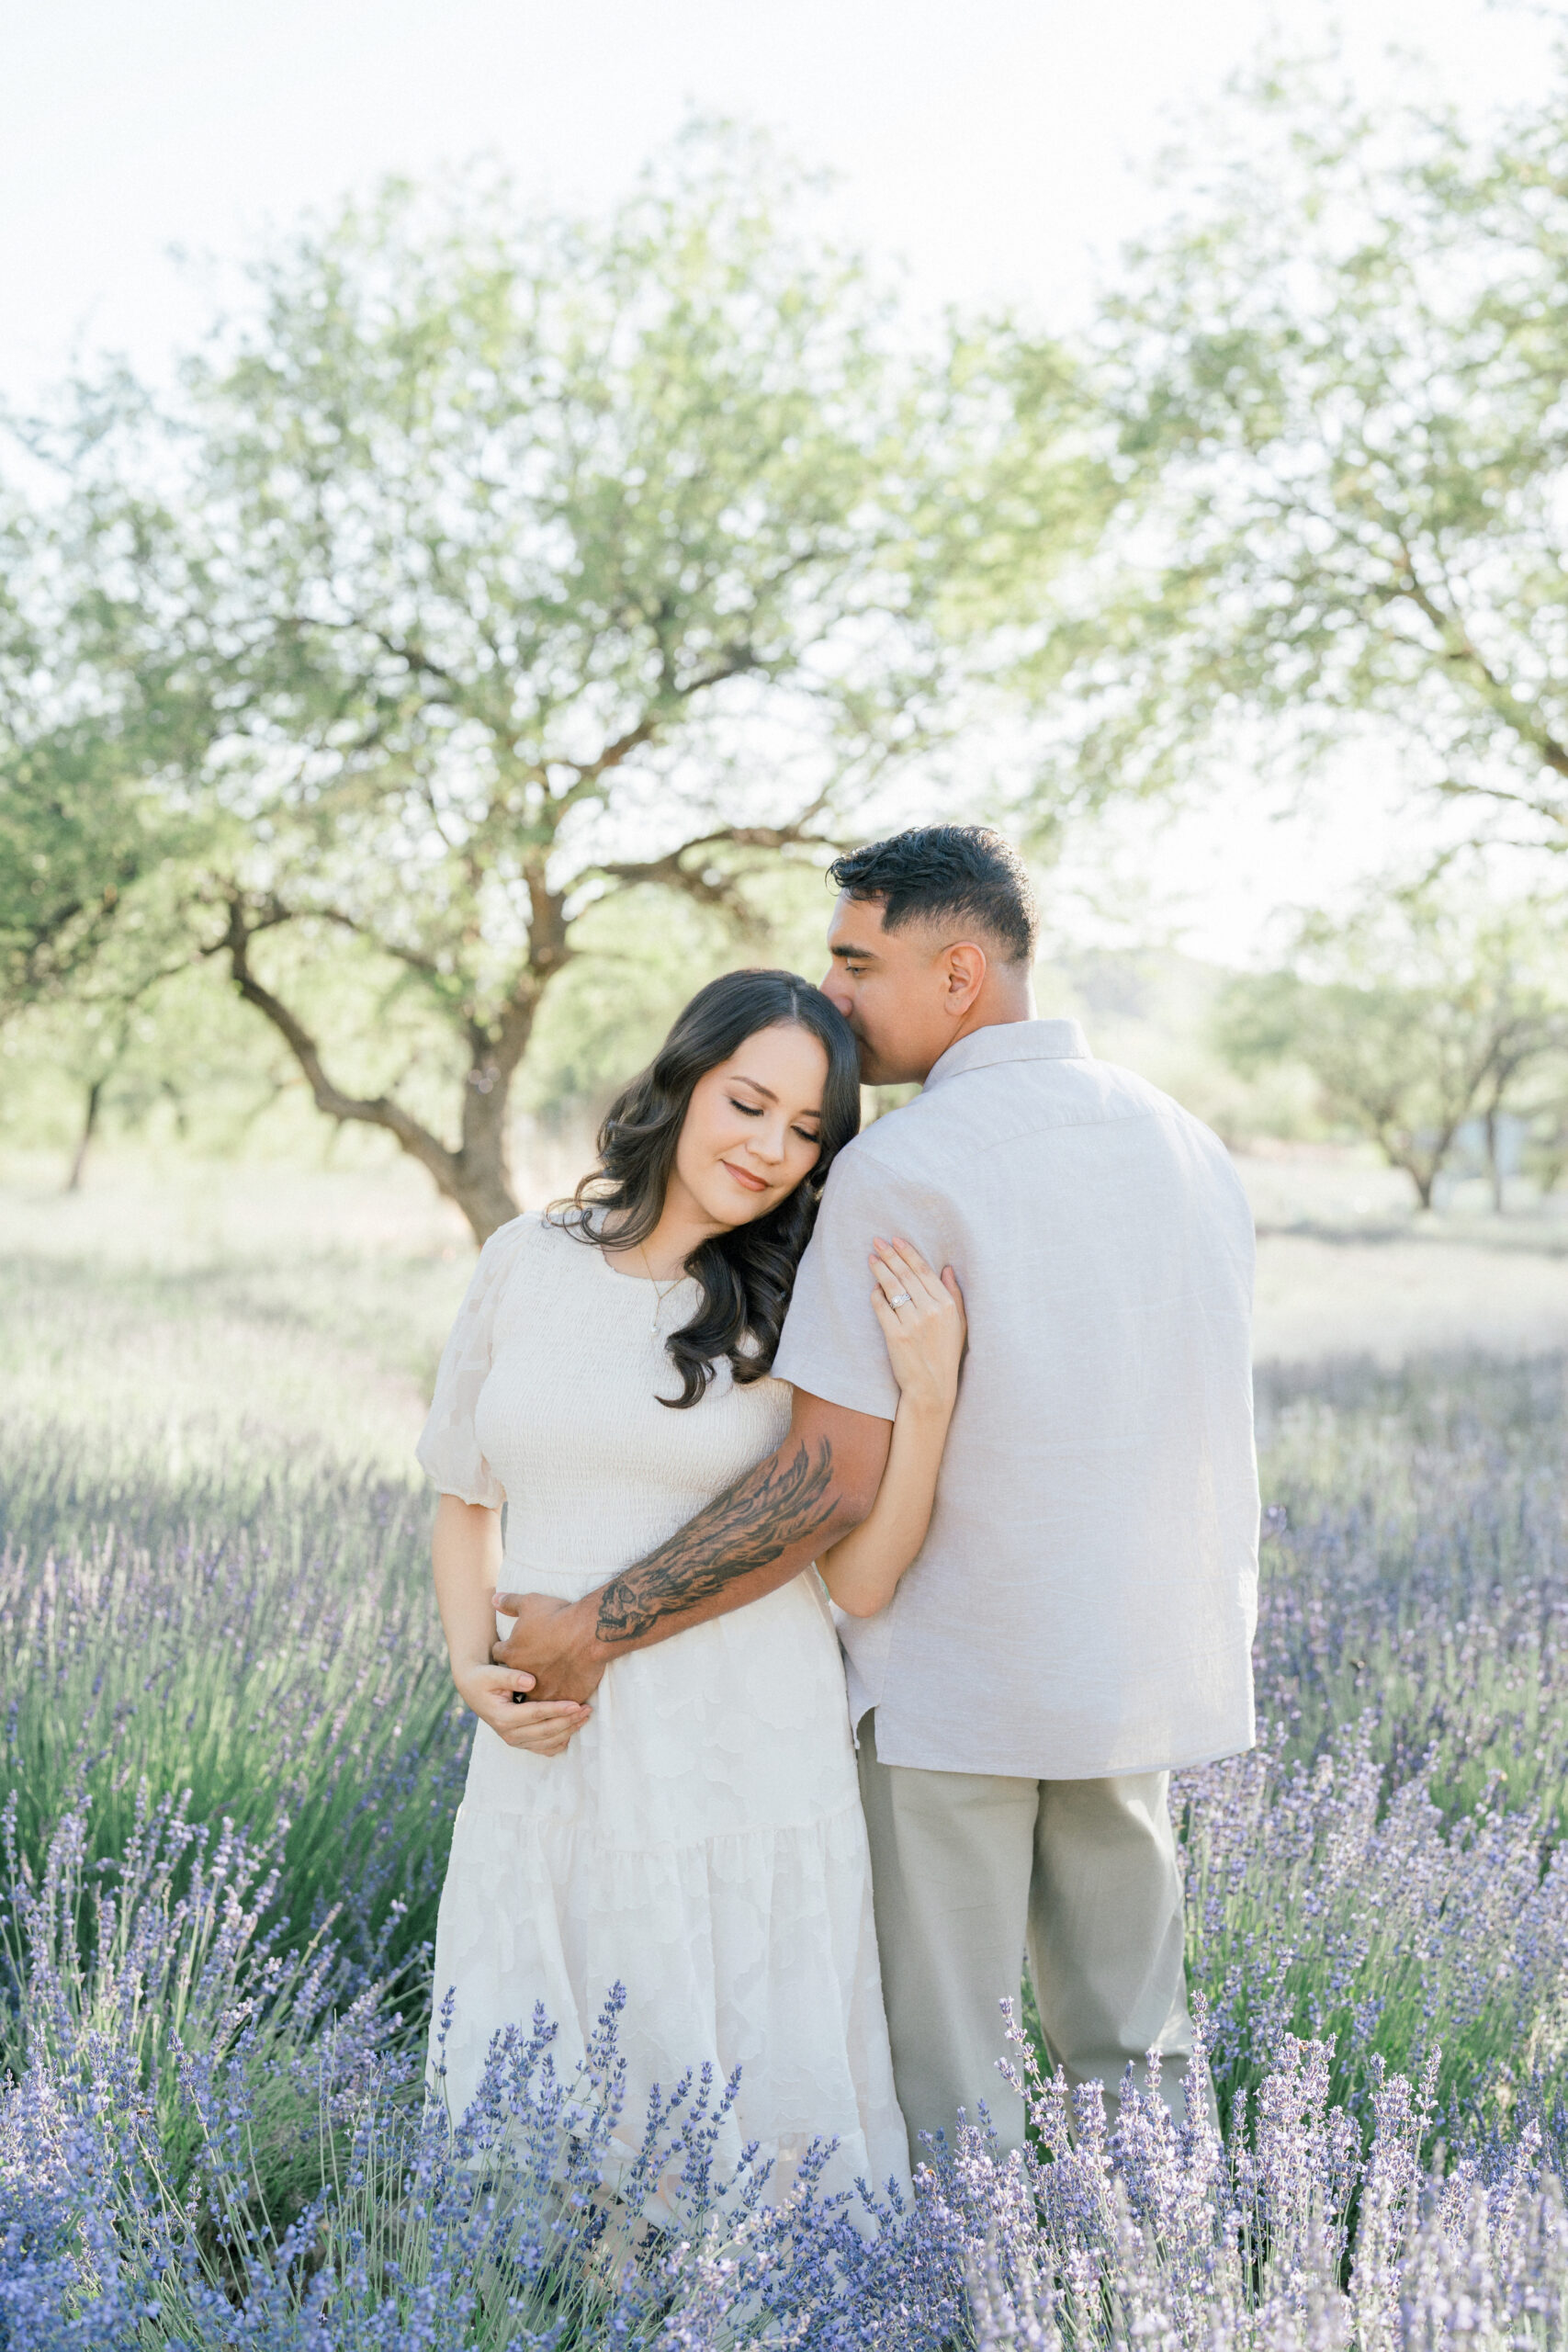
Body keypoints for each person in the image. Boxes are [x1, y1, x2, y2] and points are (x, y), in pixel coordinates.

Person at [496, 826, 1258, 2166]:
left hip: (951, 1690)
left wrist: (596, 1625)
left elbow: (822, 1482)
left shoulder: (907, 1164)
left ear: (959, 970)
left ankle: (969, 2306)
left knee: (951, 2071)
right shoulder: (1190, 1146)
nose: (834, 994)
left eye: (858, 961)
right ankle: (1158, 2287)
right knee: (1135, 2055)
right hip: (1137, 1675)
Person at [417, 966, 965, 2208]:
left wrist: (925, 1400)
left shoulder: (801, 1305)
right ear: (683, 1082)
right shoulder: (527, 1257)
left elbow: (861, 1576)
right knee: (541, 2115)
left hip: (738, 1755)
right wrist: (473, 1668)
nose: (771, 1148)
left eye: (807, 1131)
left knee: (746, 2121)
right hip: (550, 1736)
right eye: (748, 1103)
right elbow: (463, 1494)